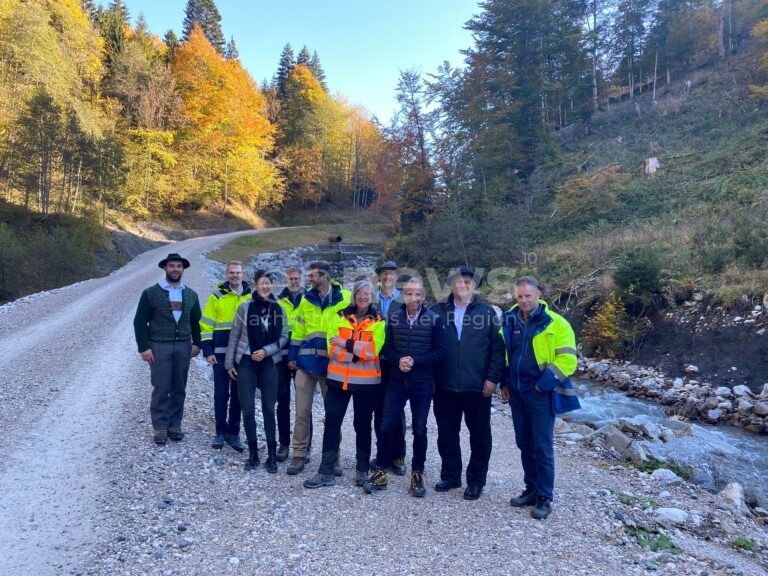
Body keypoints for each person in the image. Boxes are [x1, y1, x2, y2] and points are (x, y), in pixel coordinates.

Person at [500, 276, 579, 520]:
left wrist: (542, 386)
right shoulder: (508, 319)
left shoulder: (557, 324)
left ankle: (545, 497)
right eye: (520, 296)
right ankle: (531, 490)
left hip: (540, 394)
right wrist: (504, 382)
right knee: (524, 443)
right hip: (516, 392)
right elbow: (504, 353)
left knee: (542, 446)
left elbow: (568, 360)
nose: (524, 300)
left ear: (539, 295)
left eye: (528, 296)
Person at [363, 277, 447, 497]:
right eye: (409, 294)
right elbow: (386, 349)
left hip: (422, 382)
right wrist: (397, 360)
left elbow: (441, 352)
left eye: (417, 294)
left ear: (424, 297)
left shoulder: (434, 320)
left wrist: (416, 362)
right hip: (397, 381)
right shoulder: (393, 318)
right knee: (386, 425)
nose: (413, 298)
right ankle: (380, 471)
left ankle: (417, 474)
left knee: (419, 429)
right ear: (403, 296)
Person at [303, 280, 386, 489]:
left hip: (366, 384)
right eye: (360, 293)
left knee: (362, 426)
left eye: (367, 293)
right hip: (339, 381)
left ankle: (362, 470)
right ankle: (326, 471)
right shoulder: (339, 316)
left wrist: (346, 344)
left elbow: (372, 351)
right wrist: (357, 353)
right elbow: (332, 349)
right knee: (331, 423)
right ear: (354, 295)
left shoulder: (379, 321)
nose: (363, 297)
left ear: (371, 296)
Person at [432, 266, 505, 500]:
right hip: (444, 386)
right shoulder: (436, 311)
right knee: (446, 433)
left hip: (477, 386)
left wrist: (493, 379)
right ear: (451, 284)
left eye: (468, 282)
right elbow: (428, 345)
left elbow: (497, 349)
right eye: (458, 281)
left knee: (480, 436)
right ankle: (451, 475)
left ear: (475, 286)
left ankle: (476, 481)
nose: (462, 285)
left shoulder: (487, 313)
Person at [286, 261, 351, 475]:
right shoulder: (306, 299)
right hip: (305, 364)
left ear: (326, 277)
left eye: (314, 275)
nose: (310, 278)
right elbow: (298, 330)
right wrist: (292, 356)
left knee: (332, 415)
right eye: (310, 275)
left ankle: (334, 457)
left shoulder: (346, 298)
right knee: (301, 412)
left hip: (332, 366)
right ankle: (298, 455)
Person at [133, 253, 202, 445]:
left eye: (178, 266)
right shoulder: (151, 293)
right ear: (165, 268)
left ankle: (175, 425)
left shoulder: (191, 294)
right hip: (159, 345)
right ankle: (160, 427)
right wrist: (144, 347)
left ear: (183, 269)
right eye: (171, 266)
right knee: (162, 386)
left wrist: (197, 343)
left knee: (179, 386)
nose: (175, 269)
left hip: (183, 345)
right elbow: (139, 321)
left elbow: (197, 322)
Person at [225, 270, 288, 472]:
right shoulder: (244, 308)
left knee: (269, 409)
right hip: (245, 362)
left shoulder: (279, 309)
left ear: (272, 285)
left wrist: (266, 351)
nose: (265, 286)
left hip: (269, 362)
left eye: (268, 283)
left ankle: (271, 454)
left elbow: (284, 337)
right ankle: (253, 454)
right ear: (255, 284)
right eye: (261, 283)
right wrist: (229, 363)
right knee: (248, 409)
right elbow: (234, 336)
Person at [200, 260, 252, 453]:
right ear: (227, 274)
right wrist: (207, 350)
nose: (235, 275)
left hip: (242, 355)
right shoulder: (217, 296)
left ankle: (234, 433)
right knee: (221, 394)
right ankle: (220, 431)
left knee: (239, 396)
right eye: (231, 272)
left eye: (238, 272)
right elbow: (206, 324)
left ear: (243, 274)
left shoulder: (251, 296)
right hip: (220, 355)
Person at [372, 260, 407, 476]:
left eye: (391, 274)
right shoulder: (371, 299)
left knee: (397, 410)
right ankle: (382, 454)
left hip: (395, 362)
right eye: (384, 274)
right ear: (379, 277)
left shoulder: (404, 299)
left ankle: (399, 455)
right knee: (378, 410)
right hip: (375, 362)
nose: (388, 277)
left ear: (396, 276)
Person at [276, 267, 306, 462]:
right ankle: (284, 444)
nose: (294, 281)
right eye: (290, 278)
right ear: (286, 280)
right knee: (283, 402)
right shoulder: (278, 302)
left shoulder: (309, 300)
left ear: (302, 280)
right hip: (282, 358)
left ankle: (305, 445)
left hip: (303, 358)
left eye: (296, 278)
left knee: (304, 405)